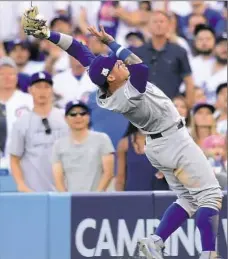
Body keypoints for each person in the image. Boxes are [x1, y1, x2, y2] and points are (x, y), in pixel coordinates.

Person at [23, 8, 223, 259]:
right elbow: (140, 67)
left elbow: (78, 50)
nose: (119, 62)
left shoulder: (109, 82)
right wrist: (113, 43)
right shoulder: (128, 93)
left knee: (188, 199)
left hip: (159, 144)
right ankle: (208, 254)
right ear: (111, 78)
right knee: (210, 196)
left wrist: (46, 33)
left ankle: (155, 240)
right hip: (174, 141)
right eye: (115, 65)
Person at [9, 71, 68, 192]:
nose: (42, 91)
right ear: (30, 90)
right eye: (38, 87)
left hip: (64, 190)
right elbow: (14, 158)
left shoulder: (65, 118)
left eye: (46, 87)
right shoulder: (21, 122)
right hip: (33, 191)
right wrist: (21, 185)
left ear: (52, 90)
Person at [132, 10, 194, 107]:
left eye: (162, 21)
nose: (158, 25)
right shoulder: (138, 52)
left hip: (170, 106)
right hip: (143, 106)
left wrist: (189, 105)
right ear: (148, 26)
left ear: (169, 25)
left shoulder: (179, 52)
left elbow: (188, 80)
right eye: (155, 22)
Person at [52, 100, 114, 192]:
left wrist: (95, 197)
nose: (78, 117)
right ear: (65, 118)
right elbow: (58, 178)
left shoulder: (102, 139)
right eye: (73, 114)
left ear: (88, 116)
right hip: (71, 201)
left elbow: (108, 173)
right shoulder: (59, 145)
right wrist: (65, 199)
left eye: (83, 113)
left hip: (99, 200)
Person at [0, 57, 33, 171]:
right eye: (2, 74)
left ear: (17, 77)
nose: (7, 78)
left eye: (11, 74)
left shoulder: (29, 101)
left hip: (23, 164)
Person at [116, 123, 169, 191]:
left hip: (160, 196)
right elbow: (120, 178)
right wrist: (119, 199)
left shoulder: (166, 142)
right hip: (132, 196)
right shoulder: (124, 144)